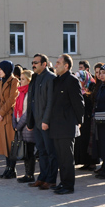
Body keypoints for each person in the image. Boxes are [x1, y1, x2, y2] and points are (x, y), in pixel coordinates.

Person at [48, 54, 84, 195]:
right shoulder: (57, 81)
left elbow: (79, 104)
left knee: (67, 158)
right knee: (61, 158)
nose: (55, 65)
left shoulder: (72, 80)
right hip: (56, 125)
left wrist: (79, 122)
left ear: (66, 66)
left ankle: (68, 186)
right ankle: (62, 182)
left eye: (58, 63)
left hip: (67, 126)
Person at [26, 53, 58, 190]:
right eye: (32, 62)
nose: (33, 65)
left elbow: (51, 102)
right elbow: (31, 101)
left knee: (51, 152)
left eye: (36, 62)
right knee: (41, 151)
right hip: (37, 122)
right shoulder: (35, 78)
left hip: (46, 123)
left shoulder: (51, 78)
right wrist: (30, 122)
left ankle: (51, 180)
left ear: (44, 64)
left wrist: (46, 120)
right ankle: (42, 177)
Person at [0, 60, 19, 179]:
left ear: (7, 70)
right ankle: (7, 168)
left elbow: (12, 99)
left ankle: (12, 169)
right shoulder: (1, 82)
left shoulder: (14, 81)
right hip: (2, 118)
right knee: (4, 145)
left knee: (11, 145)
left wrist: (1, 112)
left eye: (0, 69)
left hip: (9, 116)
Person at [13, 70, 36, 183]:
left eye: (22, 79)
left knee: (29, 152)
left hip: (27, 126)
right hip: (19, 126)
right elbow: (15, 109)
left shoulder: (30, 93)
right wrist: (14, 123)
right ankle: (27, 174)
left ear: (29, 80)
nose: (20, 81)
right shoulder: (20, 92)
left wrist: (19, 125)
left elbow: (28, 113)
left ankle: (30, 174)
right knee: (25, 151)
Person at [74, 70, 97, 171]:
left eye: (79, 79)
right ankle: (85, 162)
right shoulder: (78, 89)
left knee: (89, 140)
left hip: (89, 119)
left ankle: (92, 163)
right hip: (81, 119)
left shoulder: (92, 88)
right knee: (82, 141)